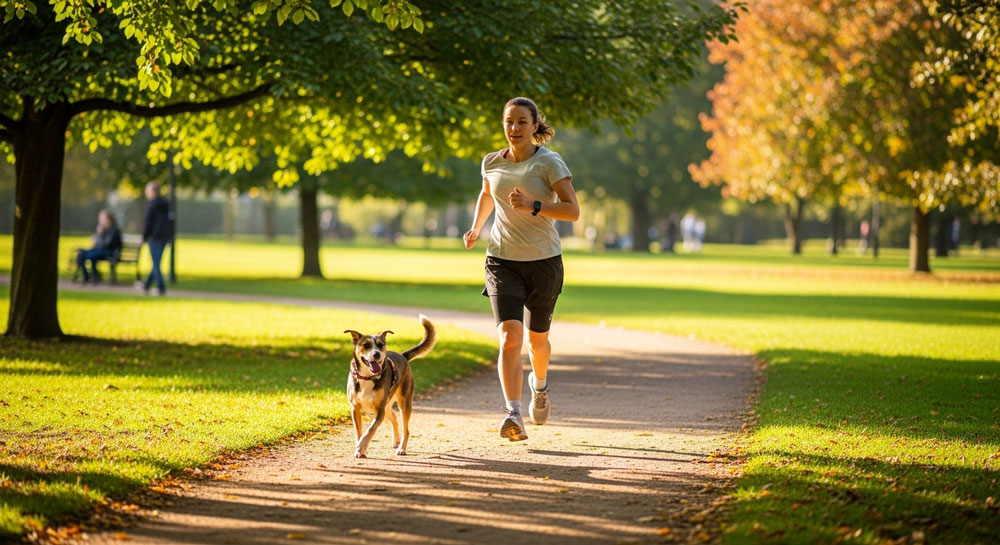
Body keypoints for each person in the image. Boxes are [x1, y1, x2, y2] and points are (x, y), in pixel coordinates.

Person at [463, 97, 580, 442]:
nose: (514, 129)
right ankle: (513, 412)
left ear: (534, 126)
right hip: (502, 259)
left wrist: (535, 206)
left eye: (521, 122)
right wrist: (476, 227)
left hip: (544, 261)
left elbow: (572, 211)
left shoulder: (549, 162)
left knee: (537, 341)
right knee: (509, 337)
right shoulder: (491, 162)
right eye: (509, 122)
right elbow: (487, 195)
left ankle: (539, 387)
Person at [137, 182, 173, 295]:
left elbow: (148, 223)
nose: (146, 193)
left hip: (154, 238)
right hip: (164, 238)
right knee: (156, 263)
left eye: (147, 191)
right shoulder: (166, 205)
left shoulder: (152, 206)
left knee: (156, 263)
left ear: (153, 192)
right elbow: (170, 223)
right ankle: (146, 285)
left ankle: (160, 288)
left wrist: (144, 237)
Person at [75, 210, 123, 283]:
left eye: (103, 219)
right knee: (81, 254)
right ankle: (86, 276)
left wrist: (100, 235)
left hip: (109, 252)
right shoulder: (104, 229)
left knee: (91, 255)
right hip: (100, 251)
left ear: (109, 219)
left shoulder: (114, 230)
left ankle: (95, 275)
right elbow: (99, 243)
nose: (101, 221)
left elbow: (106, 244)